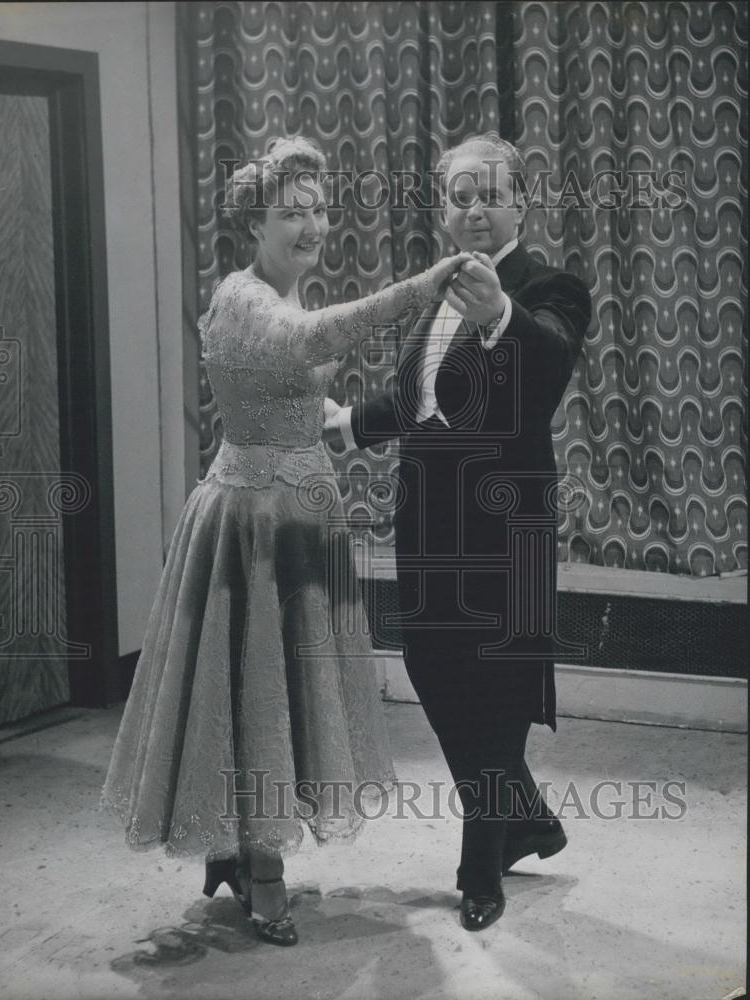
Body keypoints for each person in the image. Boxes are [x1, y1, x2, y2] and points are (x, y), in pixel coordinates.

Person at [100, 136, 472, 947]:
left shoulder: (284, 289)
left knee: (289, 693)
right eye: (290, 214)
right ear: (253, 224)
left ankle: (244, 848)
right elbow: (313, 343)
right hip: (257, 521)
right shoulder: (246, 300)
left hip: (298, 510)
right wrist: (420, 286)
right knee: (258, 686)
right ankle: (258, 866)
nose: (310, 226)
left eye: (317, 209)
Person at [325, 133, 592, 931]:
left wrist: (502, 314)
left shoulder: (552, 287)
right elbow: (418, 396)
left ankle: (482, 866)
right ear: (444, 211)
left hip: (507, 519)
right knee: (432, 664)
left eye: (489, 195)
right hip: (428, 516)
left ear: (519, 202)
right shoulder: (437, 293)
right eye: (460, 197)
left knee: (499, 683)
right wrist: (347, 426)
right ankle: (527, 817)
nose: (474, 210)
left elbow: (544, 370)